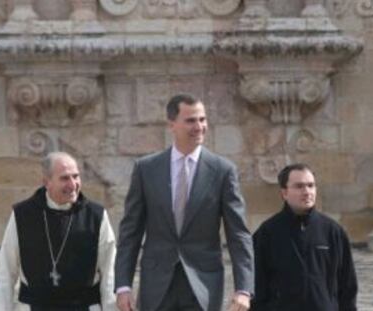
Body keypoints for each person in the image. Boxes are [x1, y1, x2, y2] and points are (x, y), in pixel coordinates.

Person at [114, 94, 254, 311]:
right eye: (191, 120)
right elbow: (130, 231)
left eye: (202, 119)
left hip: (203, 285)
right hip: (157, 284)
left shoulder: (223, 171)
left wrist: (243, 289)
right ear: (172, 124)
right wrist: (123, 285)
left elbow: (239, 234)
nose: (199, 126)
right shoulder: (146, 169)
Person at [0, 151, 116, 311]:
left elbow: (109, 273)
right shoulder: (23, 215)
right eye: (64, 178)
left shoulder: (96, 216)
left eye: (76, 176)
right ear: (46, 182)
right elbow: (5, 273)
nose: (73, 184)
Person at [252, 163, 358, 311]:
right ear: (284, 193)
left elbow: (347, 284)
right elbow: (257, 283)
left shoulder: (333, 231)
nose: (307, 191)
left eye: (311, 185)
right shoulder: (267, 232)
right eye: (299, 186)